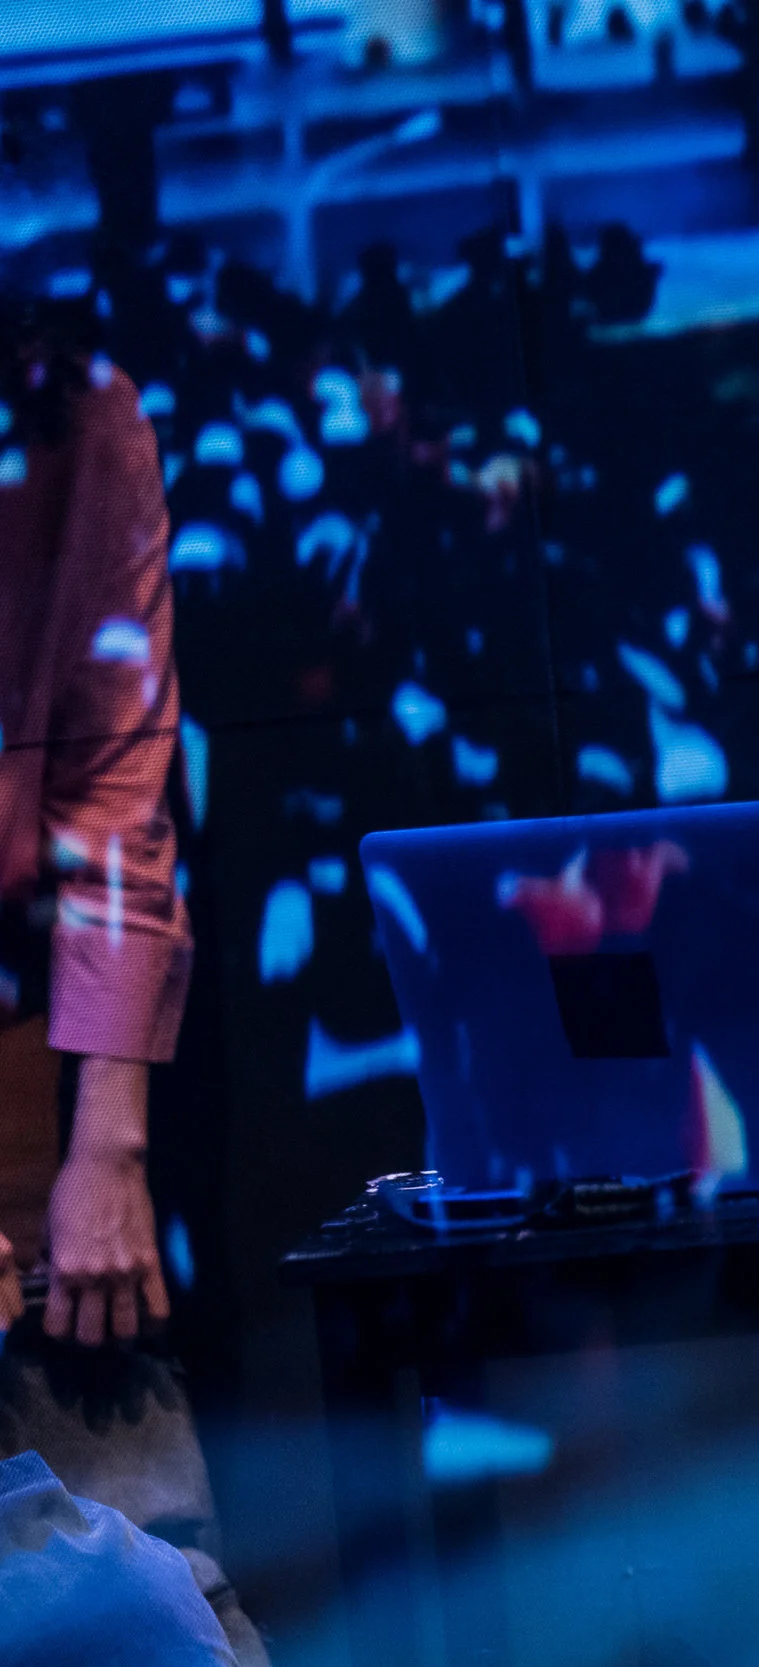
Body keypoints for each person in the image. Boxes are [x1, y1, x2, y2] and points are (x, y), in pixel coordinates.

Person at [0, 299, 266, 1664]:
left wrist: (109, 1148)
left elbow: (115, 788)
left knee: (165, 1587)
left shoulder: (71, 405)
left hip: (32, 1044)